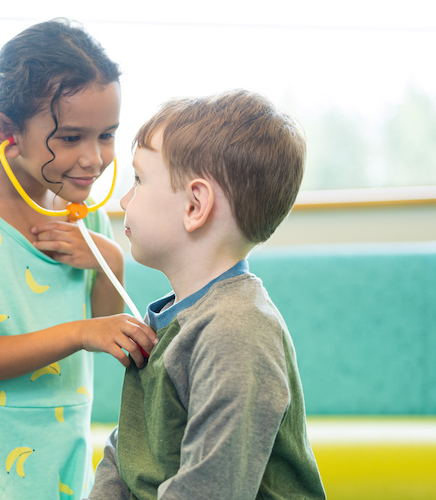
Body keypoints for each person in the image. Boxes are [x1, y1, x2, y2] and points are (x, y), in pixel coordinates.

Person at [0, 19, 157, 499]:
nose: (93, 159)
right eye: (70, 138)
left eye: (106, 135)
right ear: (7, 131)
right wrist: (81, 334)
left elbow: (105, 326)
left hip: (61, 463)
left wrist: (107, 257)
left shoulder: (81, 212)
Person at [87, 89, 327, 500]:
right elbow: (130, 451)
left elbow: (210, 488)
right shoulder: (174, 318)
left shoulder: (237, 331)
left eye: (139, 179)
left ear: (195, 205)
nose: (125, 198)